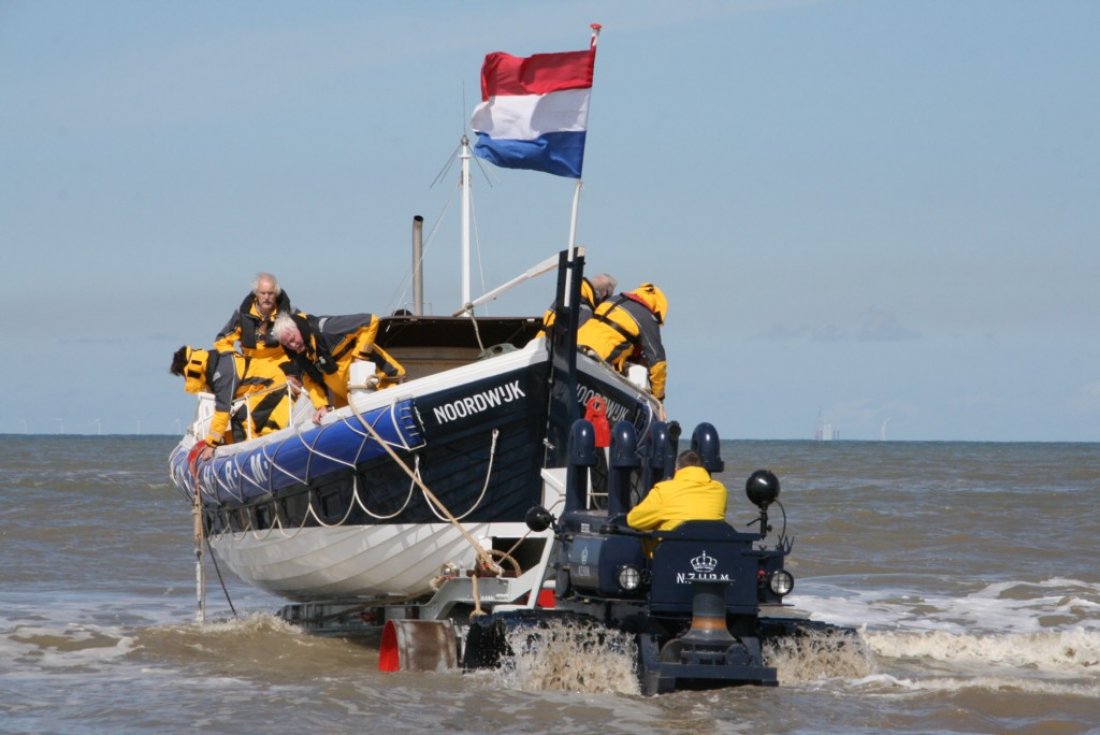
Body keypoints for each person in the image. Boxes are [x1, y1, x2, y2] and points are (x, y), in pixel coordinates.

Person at [271, 312, 405, 424]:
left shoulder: (328, 328)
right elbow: (310, 381)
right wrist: (321, 406)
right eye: (287, 344)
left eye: (293, 339)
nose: (293, 345)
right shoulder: (301, 357)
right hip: (348, 401)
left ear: (300, 329)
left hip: (384, 384)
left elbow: (371, 321)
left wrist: (361, 356)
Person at [169, 345, 292, 459]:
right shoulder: (212, 364)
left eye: (184, 376)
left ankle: (251, 458)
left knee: (243, 420)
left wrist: (211, 443)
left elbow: (222, 411)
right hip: (261, 385)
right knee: (236, 421)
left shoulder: (221, 374)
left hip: (271, 384)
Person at [576, 282, 668, 401]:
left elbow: (612, 337)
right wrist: (658, 398)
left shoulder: (613, 300)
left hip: (575, 348)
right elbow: (658, 364)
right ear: (656, 309)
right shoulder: (646, 318)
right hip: (597, 360)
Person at [626, 450, 728, 532]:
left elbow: (633, 521)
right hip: (709, 554)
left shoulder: (664, 490)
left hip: (670, 555)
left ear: (676, 470)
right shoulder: (720, 490)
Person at [214, 272, 298, 363]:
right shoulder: (242, 316)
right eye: (263, 293)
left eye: (270, 293)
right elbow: (221, 342)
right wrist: (238, 362)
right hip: (251, 370)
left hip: (281, 369)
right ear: (256, 293)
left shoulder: (290, 314)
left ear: (276, 294)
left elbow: (308, 335)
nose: (266, 297)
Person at [538, 272, 617, 334]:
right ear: (604, 293)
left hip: (541, 342)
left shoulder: (567, 296)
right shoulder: (585, 310)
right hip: (555, 351)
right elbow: (579, 342)